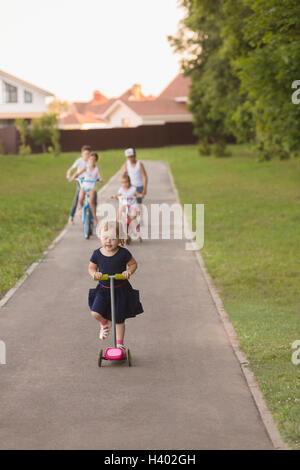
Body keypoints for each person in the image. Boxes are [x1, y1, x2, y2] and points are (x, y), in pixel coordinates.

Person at [88, 220, 144, 352]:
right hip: (103, 289)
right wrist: (94, 274)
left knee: (119, 319)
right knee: (95, 312)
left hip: (121, 289)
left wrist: (128, 272)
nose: (108, 241)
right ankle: (104, 324)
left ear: (119, 239)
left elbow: (133, 264)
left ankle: (119, 344)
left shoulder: (123, 253)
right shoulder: (97, 253)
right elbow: (91, 267)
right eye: (105, 237)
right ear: (100, 237)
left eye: (113, 238)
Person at [72, 151, 103, 227]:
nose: (92, 161)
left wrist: (100, 179)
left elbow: (99, 176)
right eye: (90, 159)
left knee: (91, 201)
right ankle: (81, 210)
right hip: (85, 185)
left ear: (96, 161)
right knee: (80, 198)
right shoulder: (86, 167)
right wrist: (74, 176)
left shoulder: (97, 168)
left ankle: (95, 219)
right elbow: (78, 173)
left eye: (93, 159)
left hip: (92, 186)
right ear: (88, 160)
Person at [111, 173, 143, 242]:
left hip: (132, 205)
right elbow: (118, 195)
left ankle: (137, 229)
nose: (124, 184)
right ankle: (117, 232)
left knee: (133, 217)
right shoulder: (121, 189)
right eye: (122, 183)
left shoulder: (133, 189)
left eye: (126, 182)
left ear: (129, 182)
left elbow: (137, 194)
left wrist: (140, 195)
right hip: (124, 205)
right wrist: (115, 196)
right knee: (118, 216)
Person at [66, 145, 91, 223]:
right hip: (80, 181)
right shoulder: (79, 161)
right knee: (78, 197)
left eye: (88, 154)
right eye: (85, 153)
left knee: (92, 197)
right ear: (82, 154)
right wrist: (68, 175)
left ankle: (91, 216)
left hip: (89, 181)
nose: (87, 155)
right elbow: (71, 169)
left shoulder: (91, 161)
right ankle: (72, 216)